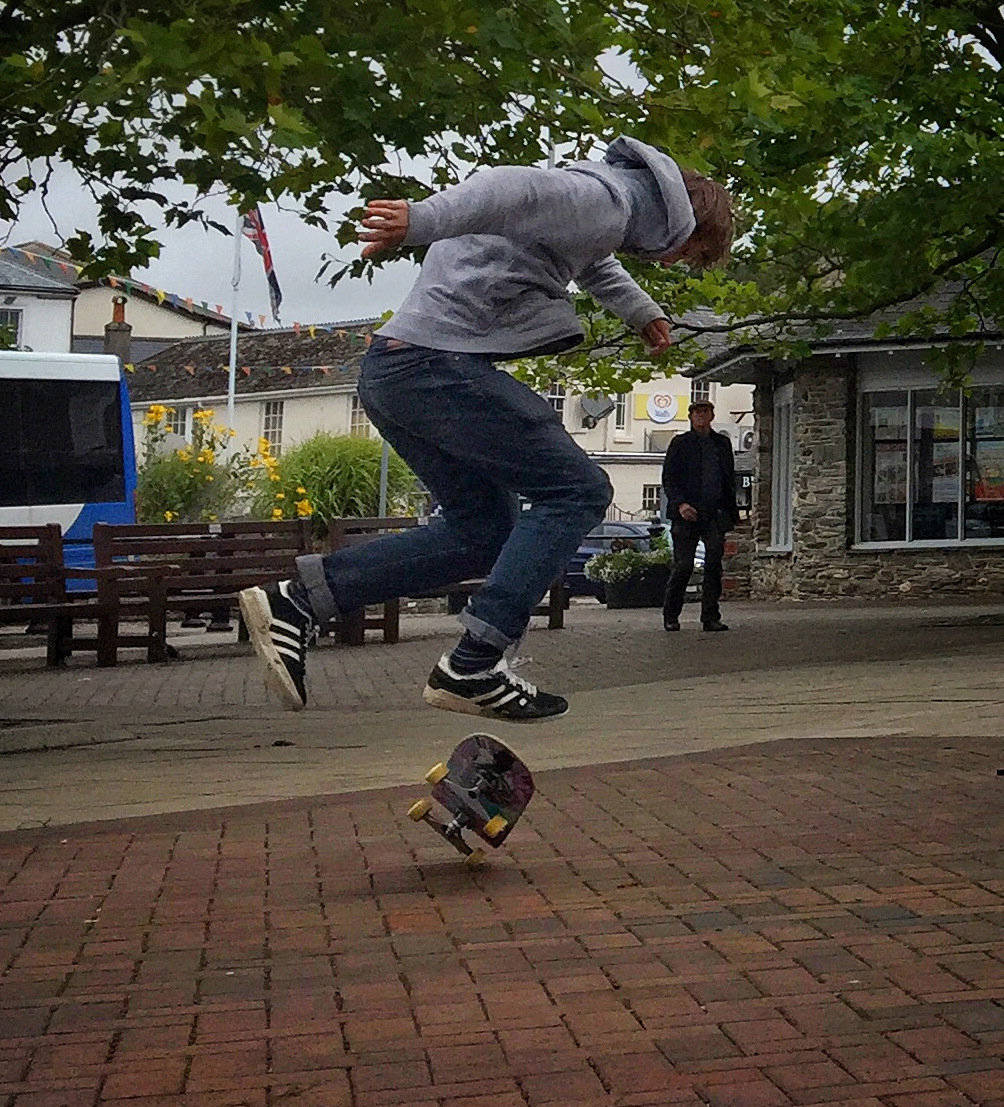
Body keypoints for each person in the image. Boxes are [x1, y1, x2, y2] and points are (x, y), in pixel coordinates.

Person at [238, 138, 733, 720]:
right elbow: (512, 189)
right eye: (689, 253)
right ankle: (475, 663)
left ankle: (298, 602)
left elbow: (595, 264)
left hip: (397, 371)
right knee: (579, 489)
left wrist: (642, 311)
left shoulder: (604, 216)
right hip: (433, 367)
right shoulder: (607, 200)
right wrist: (420, 220)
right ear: (684, 224)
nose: (673, 262)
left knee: (485, 529)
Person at [661, 400, 738, 633]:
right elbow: (669, 479)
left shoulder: (721, 444)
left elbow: (728, 480)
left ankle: (710, 617)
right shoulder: (680, 444)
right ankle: (671, 615)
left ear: (712, 415)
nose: (702, 417)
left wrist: (730, 511)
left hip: (714, 513)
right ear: (691, 417)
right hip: (686, 514)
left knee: (714, 564)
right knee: (683, 566)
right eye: (697, 413)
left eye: (706, 412)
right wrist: (681, 504)